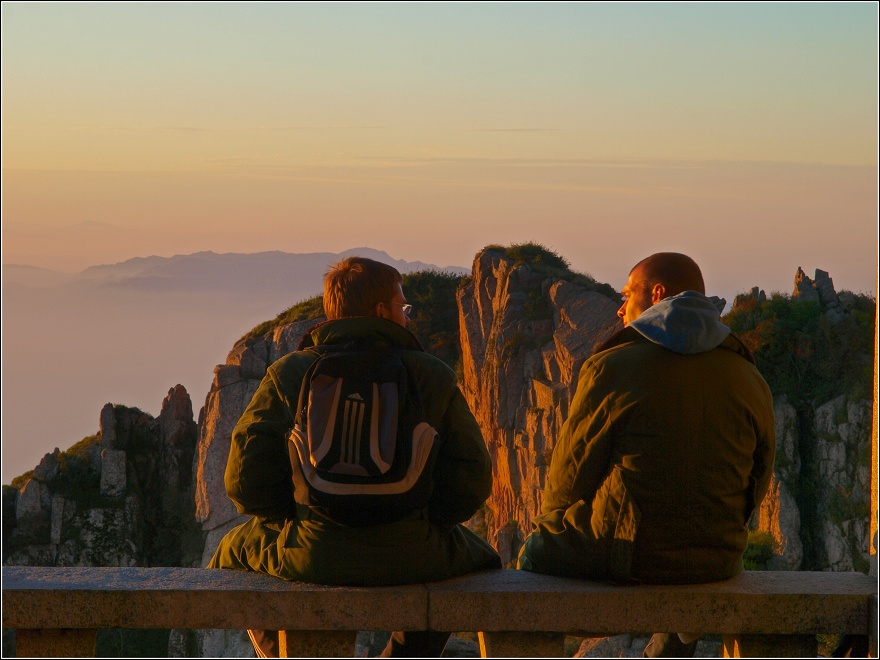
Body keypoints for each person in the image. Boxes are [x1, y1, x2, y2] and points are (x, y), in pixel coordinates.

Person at [210, 256, 500, 658]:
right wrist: (424, 521)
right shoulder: (432, 375)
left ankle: (285, 652)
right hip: (413, 553)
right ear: (382, 312)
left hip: (312, 553)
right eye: (404, 308)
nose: (408, 318)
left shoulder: (289, 373)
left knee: (228, 551)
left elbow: (243, 482)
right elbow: (472, 478)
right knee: (485, 558)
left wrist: (294, 521)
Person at [517, 252, 776, 657]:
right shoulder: (748, 374)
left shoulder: (614, 367)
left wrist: (555, 530)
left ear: (657, 294)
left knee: (534, 551)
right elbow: (759, 478)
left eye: (627, 295)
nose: (620, 308)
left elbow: (567, 482)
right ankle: (671, 647)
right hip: (720, 558)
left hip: (631, 556)